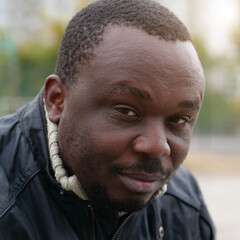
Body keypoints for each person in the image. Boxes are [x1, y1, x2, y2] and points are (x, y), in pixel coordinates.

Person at [0, 0, 215, 239]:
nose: (156, 147)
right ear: (57, 100)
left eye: (180, 119)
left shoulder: (184, 205)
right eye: (126, 111)